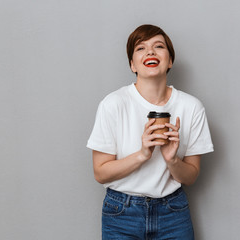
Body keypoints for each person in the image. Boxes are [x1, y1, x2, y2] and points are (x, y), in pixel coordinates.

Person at [87, 24, 214, 240]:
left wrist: (172, 160)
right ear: (132, 65)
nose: (150, 52)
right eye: (141, 48)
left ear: (170, 61)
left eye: (158, 46)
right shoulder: (113, 104)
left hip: (173, 212)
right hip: (121, 214)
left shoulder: (191, 107)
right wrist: (143, 154)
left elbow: (191, 176)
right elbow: (100, 173)